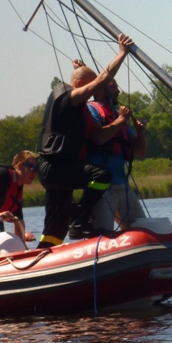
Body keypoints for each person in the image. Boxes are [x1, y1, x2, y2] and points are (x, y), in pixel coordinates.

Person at [34, 33, 133, 247]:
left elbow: (95, 85)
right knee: (101, 175)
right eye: (90, 87)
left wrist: (84, 67)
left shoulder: (79, 106)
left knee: (56, 228)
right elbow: (101, 80)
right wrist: (122, 54)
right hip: (54, 167)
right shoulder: (66, 96)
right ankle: (80, 214)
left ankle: (46, 251)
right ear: (79, 84)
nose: (95, 92)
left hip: (62, 170)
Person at [87, 77, 148, 231]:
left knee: (141, 228)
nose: (118, 91)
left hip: (122, 184)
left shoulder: (116, 114)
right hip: (102, 186)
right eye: (113, 88)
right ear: (100, 90)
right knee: (103, 230)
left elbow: (140, 151)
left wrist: (140, 132)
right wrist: (121, 120)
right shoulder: (92, 110)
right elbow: (99, 138)